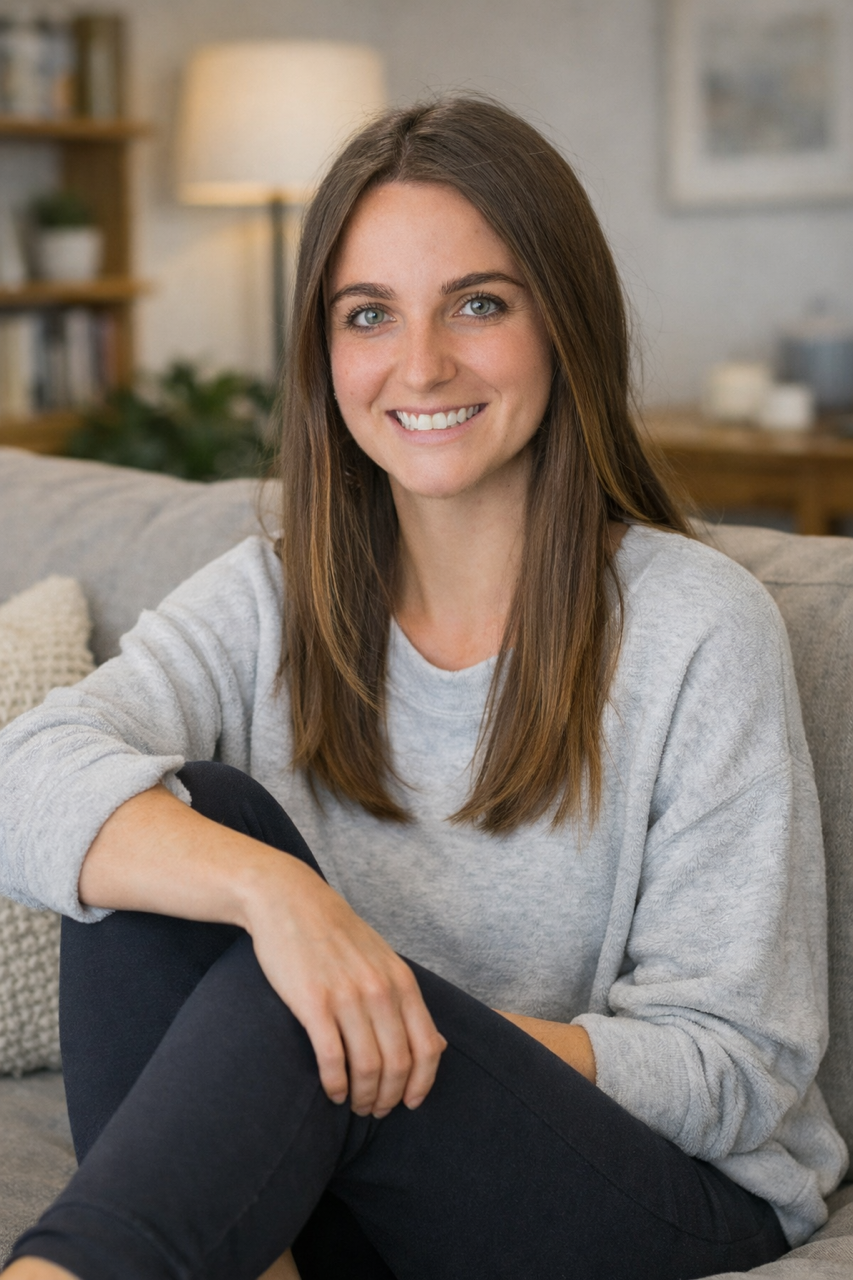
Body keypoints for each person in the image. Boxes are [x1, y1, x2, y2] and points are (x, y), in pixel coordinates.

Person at [0, 96, 846, 1280]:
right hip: (362, 1174)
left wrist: (384, 1017)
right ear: (323, 351)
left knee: (289, 1011)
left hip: (665, 1191)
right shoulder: (271, 593)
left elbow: (733, 1066)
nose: (421, 364)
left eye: (479, 303)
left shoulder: (696, 627)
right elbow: (26, 775)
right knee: (171, 826)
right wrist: (287, 905)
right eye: (368, 315)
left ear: (566, 324)